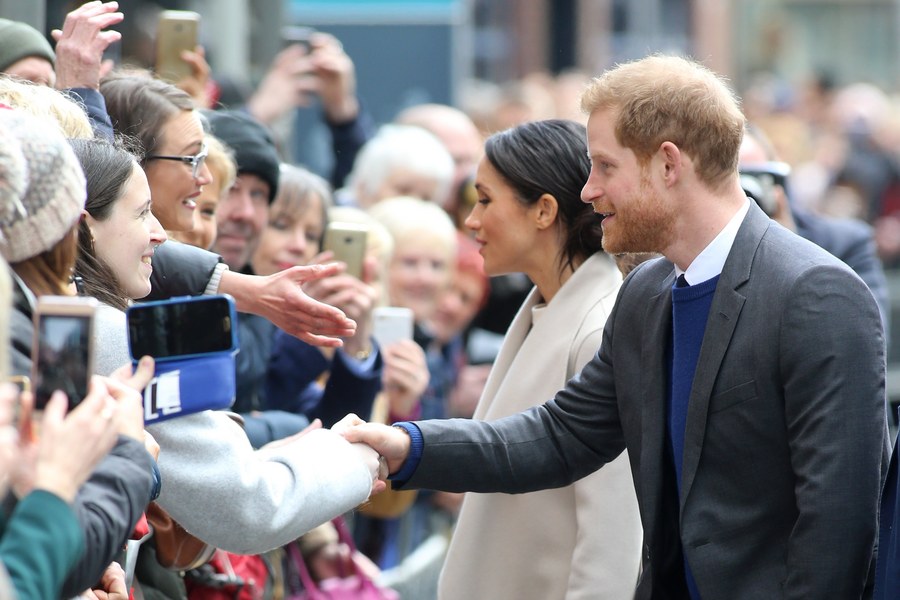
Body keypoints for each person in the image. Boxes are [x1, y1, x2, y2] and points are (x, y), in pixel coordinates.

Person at [342, 55, 888, 599]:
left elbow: (838, 525)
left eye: (605, 166)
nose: (587, 191)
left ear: (668, 165)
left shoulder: (816, 294)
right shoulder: (648, 294)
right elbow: (560, 436)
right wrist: (408, 446)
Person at [433, 119, 642, 598]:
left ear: (544, 211)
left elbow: (612, 539)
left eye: (485, 200)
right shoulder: (550, 307)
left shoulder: (599, 327)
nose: (471, 220)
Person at [0, 108, 157, 597]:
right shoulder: (41, 337)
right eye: (143, 213)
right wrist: (131, 457)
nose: (162, 233)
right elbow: (44, 560)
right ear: (72, 230)